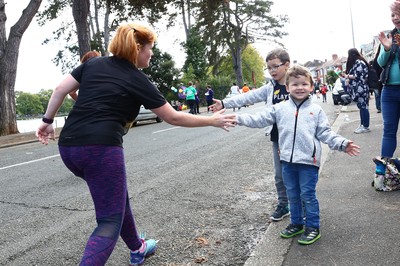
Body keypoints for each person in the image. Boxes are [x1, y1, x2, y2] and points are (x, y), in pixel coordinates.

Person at [35, 22, 236, 266]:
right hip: (100, 149)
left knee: (117, 198)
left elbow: (59, 89)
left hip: (68, 147)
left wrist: (47, 121)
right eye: (150, 48)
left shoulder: (93, 64)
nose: (152, 54)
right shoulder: (136, 78)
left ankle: (137, 248)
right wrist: (211, 121)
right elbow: (172, 116)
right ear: (138, 48)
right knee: (109, 220)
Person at [234, 65, 360, 245]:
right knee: (292, 194)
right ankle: (296, 223)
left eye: (304, 84)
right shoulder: (279, 108)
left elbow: (325, 133)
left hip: (308, 162)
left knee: (307, 195)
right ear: (287, 87)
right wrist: (236, 119)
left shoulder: (316, 111)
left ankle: (313, 227)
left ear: (311, 86)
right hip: (287, 161)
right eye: (294, 84)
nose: (299, 87)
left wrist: (342, 143)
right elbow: (259, 119)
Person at [209, 48, 291, 222]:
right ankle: (284, 204)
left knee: (299, 172)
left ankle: (303, 206)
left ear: (287, 65)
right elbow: (248, 97)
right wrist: (225, 103)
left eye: (276, 66)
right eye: (269, 68)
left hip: (296, 137)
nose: (272, 71)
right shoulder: (270, 88)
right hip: (278, 138)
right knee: (279, 175)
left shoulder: (296, 83)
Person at [376, 0, 400, 171]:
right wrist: (386, 49)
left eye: (399, 13)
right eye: (393, 14)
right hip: (389, 90)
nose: (396, 18)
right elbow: (380, 63)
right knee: (389, 131)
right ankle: (383, 170)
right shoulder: (390, 36)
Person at [345, 48, 371, 134]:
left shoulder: (359, 63)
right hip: (359, 88)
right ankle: (363, 124)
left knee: (363, 107)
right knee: (361, 106)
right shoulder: (359, 62)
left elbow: (358, 76)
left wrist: (348, 77)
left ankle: (365, 126)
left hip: (361, 88)